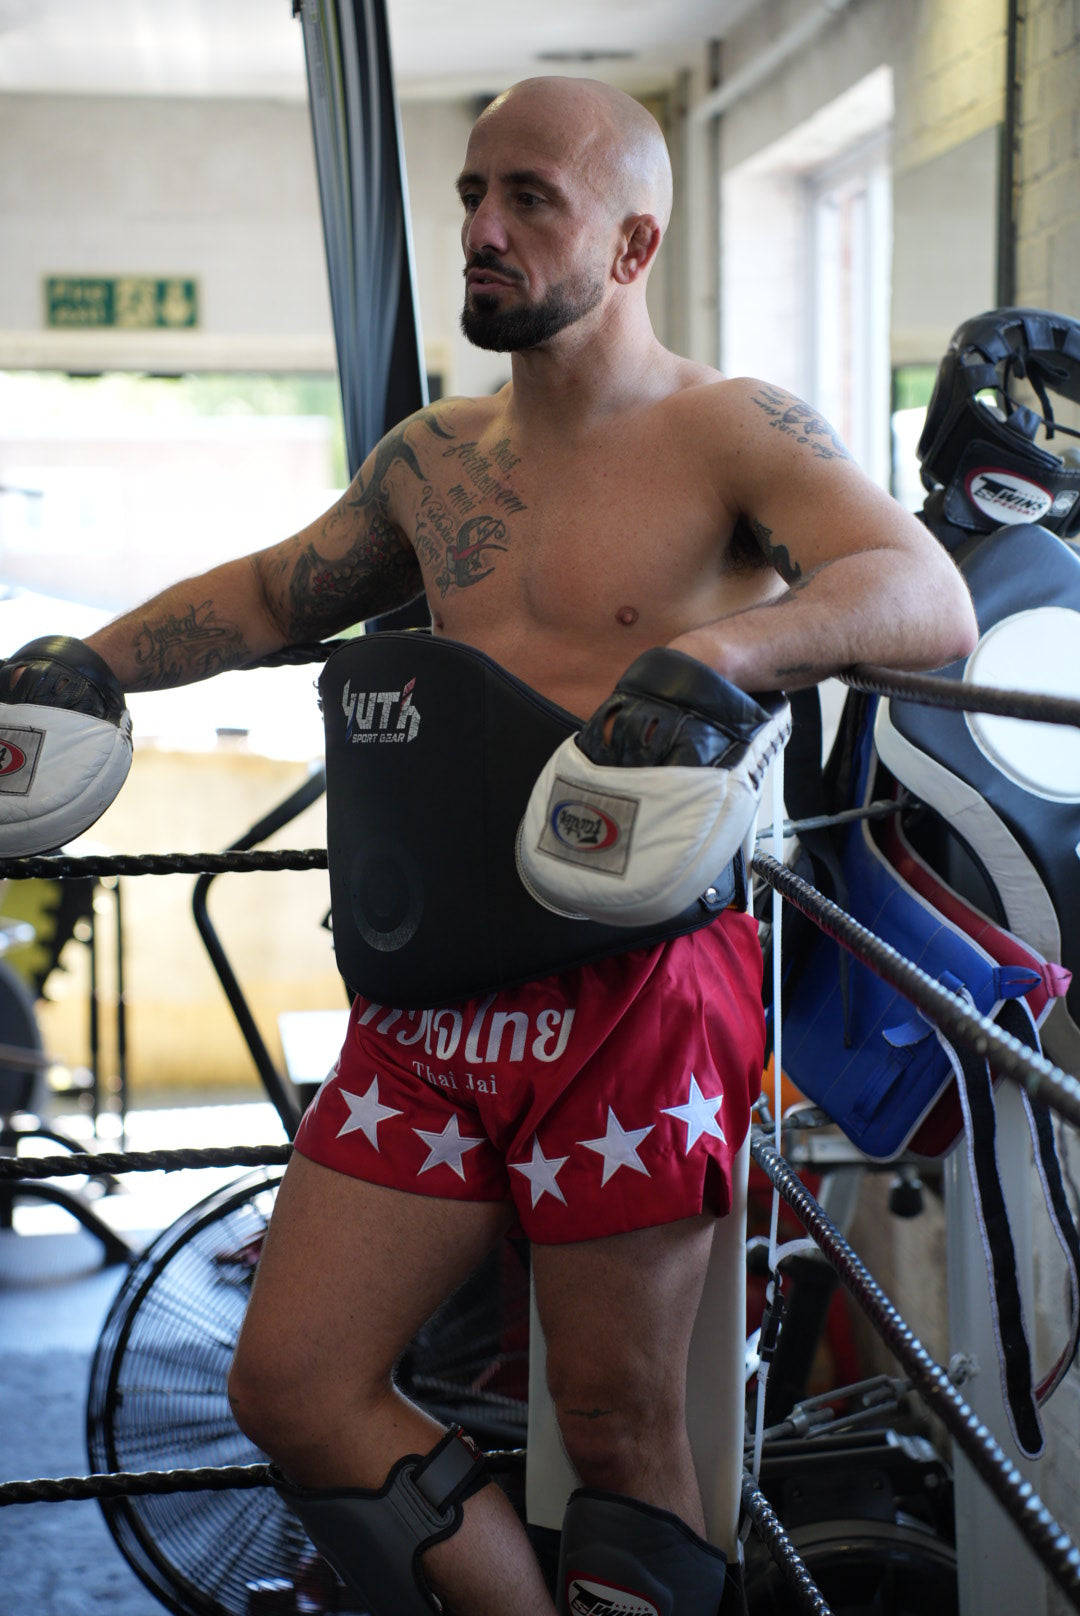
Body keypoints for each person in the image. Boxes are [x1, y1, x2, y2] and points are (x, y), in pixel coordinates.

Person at [36, 76, 977, 1616]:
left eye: (530, 197)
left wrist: (721, 656)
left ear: (632, 244)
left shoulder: (726, 428)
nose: (481, 226)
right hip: (435, 998)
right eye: (474, 192)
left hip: (636, 983)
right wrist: (86, 664)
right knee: (294, 1384)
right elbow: (276, 592)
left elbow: (924, 593)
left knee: (617, 1428)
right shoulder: (431, 460)